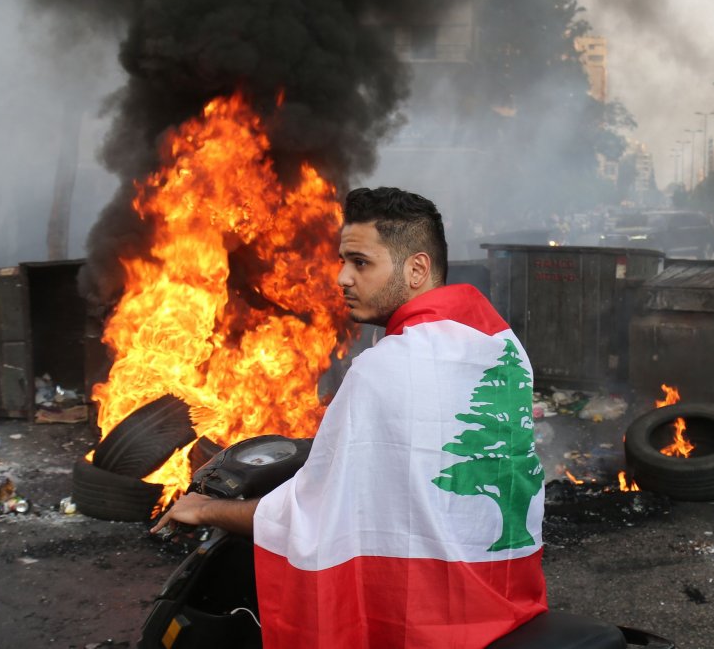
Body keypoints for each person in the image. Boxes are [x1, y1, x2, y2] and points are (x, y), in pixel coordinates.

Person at [153, 186, 548, 647]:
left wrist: (206, 509)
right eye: (343, 261)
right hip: (505, 598)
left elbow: (313, 515)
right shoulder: (501, 348)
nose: (342, 278)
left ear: (417, 269)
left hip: (426, 622)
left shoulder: (385, 367)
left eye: (361, 263)